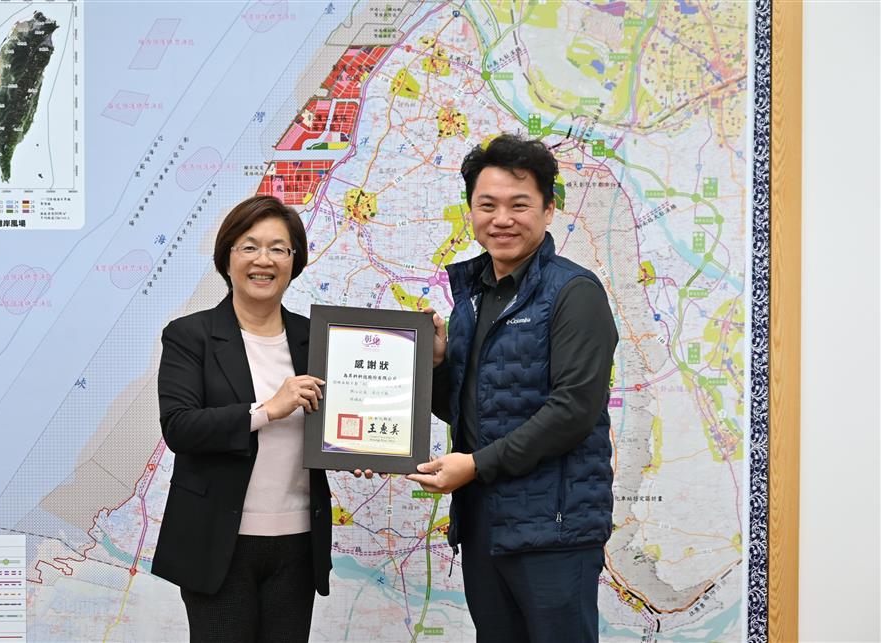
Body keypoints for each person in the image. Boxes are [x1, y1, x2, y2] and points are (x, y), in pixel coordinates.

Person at [407, 134, 619, 643]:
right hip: (485, 523)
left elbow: (573, 411)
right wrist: (437, 365)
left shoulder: (574, 292)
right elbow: (470, 408)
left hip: (554, 530)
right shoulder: (474, 296)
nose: (502, 219)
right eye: (488, 205)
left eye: (519, 205)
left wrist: (475, 465)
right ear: (471, 212)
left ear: (548, 210)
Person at [152, 195, 368, 642]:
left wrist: (365, 451)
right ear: (227, 258)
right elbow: (180, 427)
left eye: (278, 248)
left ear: (294, 261)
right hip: (218, 543)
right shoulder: (190, 336)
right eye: (249, 247)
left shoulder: (319, 338)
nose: (263, 260)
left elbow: (345, 414)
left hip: (298, 542)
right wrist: (267, 409)